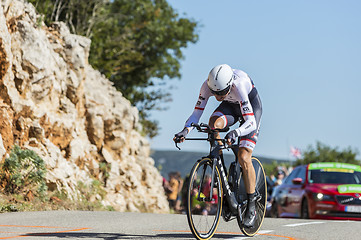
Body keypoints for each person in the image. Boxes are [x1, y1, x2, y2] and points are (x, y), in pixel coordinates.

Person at [173, 64, 262, 227]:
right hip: (231, 107)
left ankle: (251, 205)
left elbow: (250, 122)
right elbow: (196, 113)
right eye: (215, 93)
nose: (217, 96)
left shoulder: (239, 85)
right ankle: (218, 164)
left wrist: (236, 133)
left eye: (221, 93)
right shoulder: (207, 86)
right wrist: (185, 131)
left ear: (229, 85)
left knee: (243, 156)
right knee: (213, 124)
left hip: (250, 107)